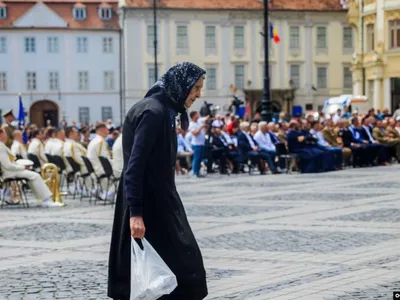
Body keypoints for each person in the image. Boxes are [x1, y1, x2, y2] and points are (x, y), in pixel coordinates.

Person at [108, 62, 208, 300]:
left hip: (159, 200)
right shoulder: (154, 113)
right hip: (150, 204)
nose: (198, 95)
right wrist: (136, 214)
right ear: (180, 85)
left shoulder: (161, 110)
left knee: (174, 270)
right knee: (182, 269)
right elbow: (134, 167)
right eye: (195, 88)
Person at [0, 128, 55, 206]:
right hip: (10, 173)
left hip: (11, 171)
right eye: (5, 133)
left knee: (32, 175)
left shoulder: (2, 146)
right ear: (1, 135)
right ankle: (45, 200)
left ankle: (41, 199)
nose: (6, 135)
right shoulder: (1, 147)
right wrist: (22, 167)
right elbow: (7, 165)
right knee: (35, 176)